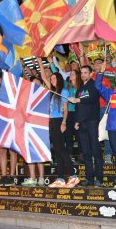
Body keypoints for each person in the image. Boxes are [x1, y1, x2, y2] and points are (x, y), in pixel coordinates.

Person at [38, 58, 80, 188]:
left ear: (60, 79)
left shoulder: (64, 91)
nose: (51, 80)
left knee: (61, 149)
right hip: (52, 122)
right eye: (51, 80)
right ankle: (61, 178)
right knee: (57, 151)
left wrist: (64, 122)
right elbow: (43, 77)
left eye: (54, 79)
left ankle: (73, 175)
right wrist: (39, 61)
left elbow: (66, 109)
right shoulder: (51, 91)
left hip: (58, 121)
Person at [69, 65, 103, 187]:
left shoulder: (94, 85)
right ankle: (89, 178)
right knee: (86, 152)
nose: (83, 74)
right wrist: (77, 121)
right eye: (82, 73)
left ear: (90, 73)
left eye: (85, 72)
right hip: (82, 123)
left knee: (96, 150)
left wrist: (78, 100)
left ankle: (99, 178)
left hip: (92, 122)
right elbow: (79, 108)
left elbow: (92, 98)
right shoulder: (80, 89)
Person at [91, 55, 116, 164]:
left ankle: (108, 155)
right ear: (92, 66)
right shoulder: (88, 77)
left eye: (100, 63)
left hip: (103, 107)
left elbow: (108, 94)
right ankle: (95, 155)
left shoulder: (106, 79)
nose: (97, 64)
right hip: (92, 108)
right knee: (93, 132)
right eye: (95, 63)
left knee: (106, 130)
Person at [21, 76, 45, 187]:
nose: (35, 85)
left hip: (40, 128)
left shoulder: (44, 96)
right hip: (28, 127)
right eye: (33, 83)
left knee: (39, 153)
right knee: (30, 153)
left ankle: (41, 178)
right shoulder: (28, 97)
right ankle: (33, 177)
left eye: (37, 83)